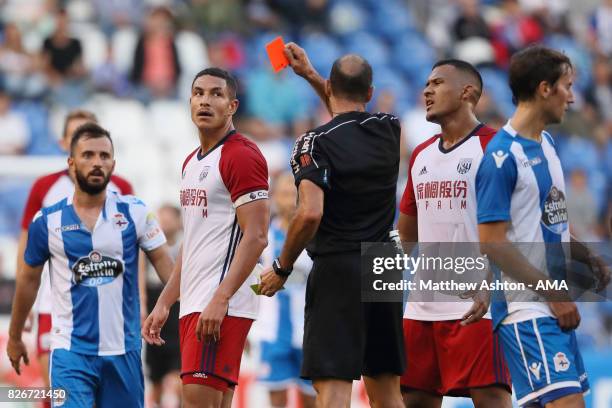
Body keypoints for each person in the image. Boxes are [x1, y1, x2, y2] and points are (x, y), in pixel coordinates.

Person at [259, 43, 405, 408]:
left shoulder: (312, 143)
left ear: (331, 89)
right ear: (370, 93)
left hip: (339, 266)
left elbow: (309, 213)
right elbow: (348, 123)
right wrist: (311, 75)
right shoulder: (389, 129)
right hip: (384, 264)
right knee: (386, 388)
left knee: (334, 386)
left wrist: (282, 266)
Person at [476, 45, 610, 407]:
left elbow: (551, 222)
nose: (571, 97)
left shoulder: (547, 144)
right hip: (527, 310)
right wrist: (553, 292)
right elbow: (493, 243)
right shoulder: (501, 158)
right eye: (566, 85)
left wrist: (589, 258)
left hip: (551, 306)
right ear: (544, 88)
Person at [7, 123, 175, 407]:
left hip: (124, 350)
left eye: (104, 156)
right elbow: (28, 281)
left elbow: (165, 264)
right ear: (71, 163)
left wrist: (167, 304)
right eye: (88, 155)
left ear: (113, 163)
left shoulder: (135, 212)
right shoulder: (47, 221)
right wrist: (14, 336)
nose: (97, 162)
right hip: (70, 353)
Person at [142, 67, 270, 408]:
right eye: (199, 93)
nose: (205, 100)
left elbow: (257, 236)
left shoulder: (241, 154)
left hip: (219, 304)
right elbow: (193, 244)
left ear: (232, 106)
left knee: (197, 402)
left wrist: (220, 298)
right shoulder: (190, 163)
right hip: (196, 303)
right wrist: (166, 301)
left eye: (216, 94)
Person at [397, 59, 512, 407]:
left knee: (490, 397)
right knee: (414, 398)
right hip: (422, 306)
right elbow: (406, 234)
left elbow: (516, 226)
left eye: (437, 83)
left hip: (477, 304)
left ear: (467, 92)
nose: (426, 90)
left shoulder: (495, 147)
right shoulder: (421, 155)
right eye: (426, 84)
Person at [14, 109, 133, 408]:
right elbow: (27, 243)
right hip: (52, 306)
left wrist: (142, 302)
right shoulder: (45, 187)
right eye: (78, 137)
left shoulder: (123, 190)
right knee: (58, 393)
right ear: (65, 144)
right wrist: (23, 302)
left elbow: (135, 254)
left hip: (110, 317)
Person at [253, 172, 315, 408]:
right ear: (274, 198)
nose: (289, 200)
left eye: (293, 194)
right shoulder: (263, 238)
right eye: (284, 194)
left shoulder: (315, 237)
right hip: (272, 332)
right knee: (276, 399)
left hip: (307, 330)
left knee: (312, 398)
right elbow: (253, 285)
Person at [144, 204, 183, 408]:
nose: (163, 224)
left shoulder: (187, 245)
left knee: (178, 375)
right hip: (153, 306)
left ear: (179, 221)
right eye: (161, 219)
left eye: (168, 219)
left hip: (178, 312)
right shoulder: (146, 246)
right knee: (156, 377)